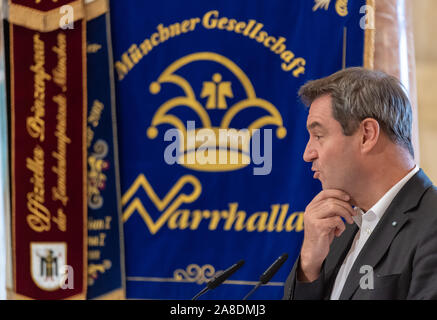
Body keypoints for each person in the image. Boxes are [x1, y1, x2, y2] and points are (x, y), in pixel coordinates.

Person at [283, 67, 437, 300]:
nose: (307, 153)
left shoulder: (431, 223)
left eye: (318, 136)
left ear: (366, 134)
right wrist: (309, 268)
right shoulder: (338, 229)